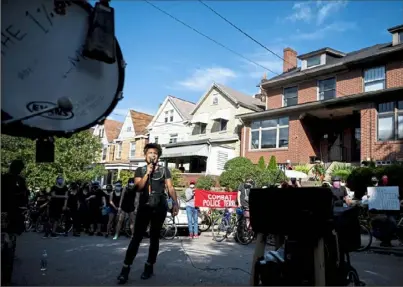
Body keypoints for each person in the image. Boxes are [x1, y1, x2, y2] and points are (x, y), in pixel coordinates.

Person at [117, 143, 179, 284]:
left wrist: (175, 203)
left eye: (155, 153)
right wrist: (147, 173)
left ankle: (149, 266)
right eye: (150, 152)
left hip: (160, 206)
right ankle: (125, 269)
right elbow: (138, 188)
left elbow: (170, 187)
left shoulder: (164, 170)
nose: (153, 155)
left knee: (154, 238)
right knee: (136, 238)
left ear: (158, 156)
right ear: (145, 155)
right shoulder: (140, 170)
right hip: (145, 207)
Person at [1, 160, 29, 285]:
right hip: (13, 214)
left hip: (6, 213)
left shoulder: (3, 178)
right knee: (10, 241)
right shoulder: (20, 181)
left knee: (8, 239)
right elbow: (24, 197)